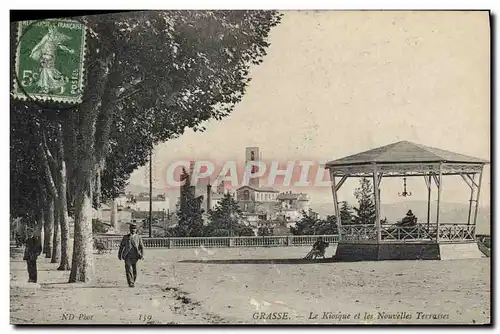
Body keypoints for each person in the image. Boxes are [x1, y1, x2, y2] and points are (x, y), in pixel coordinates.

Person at [118, 223, 145, 287]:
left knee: (134, 270)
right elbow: (121, 246)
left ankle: (133, 280)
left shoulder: (138, 237)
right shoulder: (125, 237)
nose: (133, 230)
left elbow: (142, 247)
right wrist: (120, 255)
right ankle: (131, 282)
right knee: (128, 269)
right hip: (127, 256)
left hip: (135, 256)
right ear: (129, 229)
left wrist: (142, 254)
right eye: (132, 229)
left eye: (134, 229)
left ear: (136, 230)